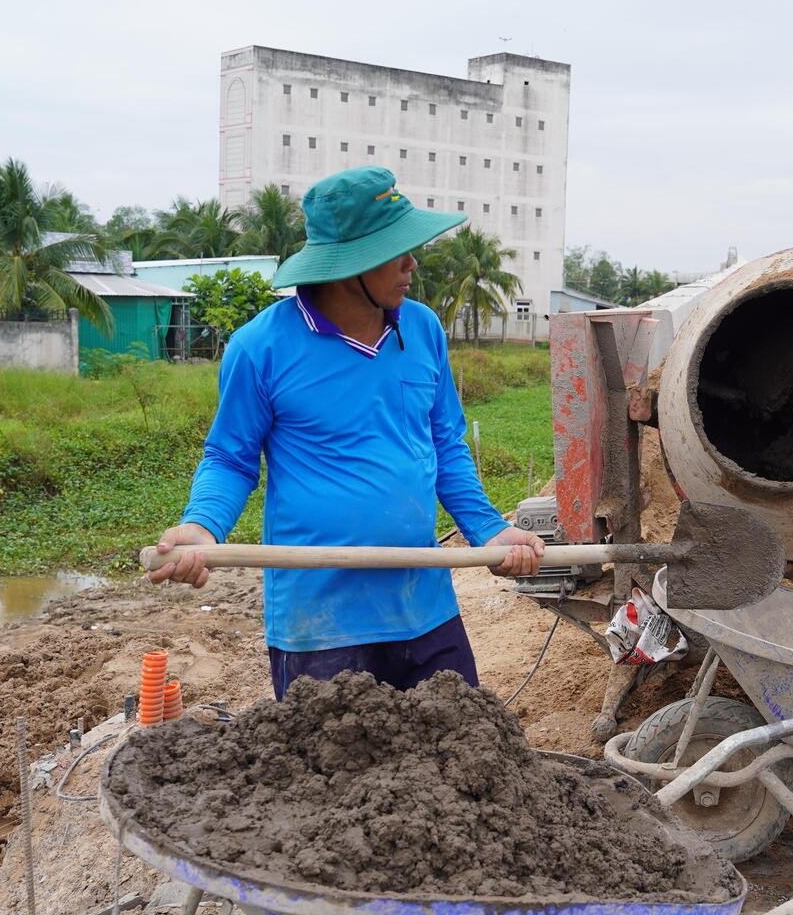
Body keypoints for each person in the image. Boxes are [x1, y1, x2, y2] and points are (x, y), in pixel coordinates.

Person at [149, 166, 546, 698]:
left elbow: (445, 446)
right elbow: (230, 458)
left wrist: (489, 531)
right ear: (347, 265)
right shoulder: (260, 348)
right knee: (331, 777)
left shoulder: (422, 329)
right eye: (395, 251)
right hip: (321, 624)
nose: (412, 263)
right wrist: (202, 528)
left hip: (423, 605)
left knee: (459, 759)